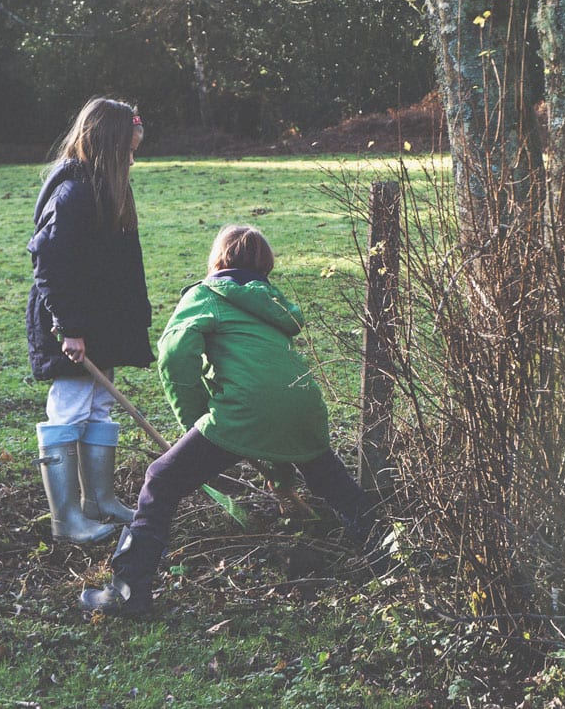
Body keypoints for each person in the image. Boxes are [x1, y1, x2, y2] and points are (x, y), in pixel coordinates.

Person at [81, 223, 375, 616]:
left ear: (217, 260)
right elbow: (272, 384)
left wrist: (198, 421)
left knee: (161, 480)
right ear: (264, 268)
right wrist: (282, 473)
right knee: (331, 482)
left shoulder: (205, 294)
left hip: (243, 413)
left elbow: (174, 354)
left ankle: (128, 590)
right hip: (306, 408)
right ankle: (391, 552)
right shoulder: (272, 306)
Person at [26, 97, 154, 545]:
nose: (134, 159)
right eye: (129, 150)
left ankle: (98, 501)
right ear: (108, 145)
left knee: (99, 406)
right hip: (75, 326)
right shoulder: (74, 192)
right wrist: (70, 327)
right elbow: (49, 262)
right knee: (71, 407)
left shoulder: (107, 186)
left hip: (103, 323)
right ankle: (67, 520)